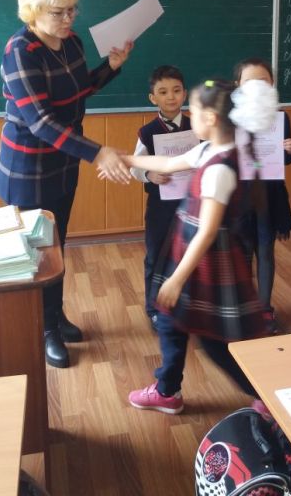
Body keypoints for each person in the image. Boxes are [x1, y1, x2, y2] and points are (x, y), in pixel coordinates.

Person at [0, 0, 133, 368]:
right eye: (59, 12)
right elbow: (40, 121)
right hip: (28, 171)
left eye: (72, 9)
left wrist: (111, 66)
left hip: (63, 163)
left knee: (56, 247)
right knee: (37, 254)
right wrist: (98, 152)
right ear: (33, 10)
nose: (69, 18)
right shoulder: (20, 52)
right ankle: (43, 330)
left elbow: (79, 90)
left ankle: (54, 316)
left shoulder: (71, 43)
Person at [114, 78, 277, 415]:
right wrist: (126, 159)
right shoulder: (208, 150)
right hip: (193, 255)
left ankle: (263, 396)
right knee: (170, 321)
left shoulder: (221, 168)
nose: (190, 113)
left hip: (207, 261)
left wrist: (176, 279)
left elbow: (207, 232)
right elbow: (167, 164)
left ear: (211, 118)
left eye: (195, 108)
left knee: (214, 341)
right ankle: (167, 390)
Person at [233, 58, 291, 333]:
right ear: (238, 86)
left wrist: (290, 150)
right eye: (250, 82)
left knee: (266, 249)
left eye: (263, 81)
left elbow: (284, 160)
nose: (257, 87)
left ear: (272, 85)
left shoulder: (280, 117)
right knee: (243, 251)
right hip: (240, 198)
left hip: (270, 196)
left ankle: (264, 308)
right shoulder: (231, 118)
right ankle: (244, 307)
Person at [130, 65, 192, 332]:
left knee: (188, 253)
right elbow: (135, 167)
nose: (171, 97)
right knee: (156, 254)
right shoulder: (147, 132)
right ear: (153, 98)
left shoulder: (197, 127)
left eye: (176, 91)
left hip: (191, 204)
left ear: (185, 94)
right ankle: (154, 308)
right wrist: (149, 174)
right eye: (163, 92)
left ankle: (186, 305)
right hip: (160, 206)